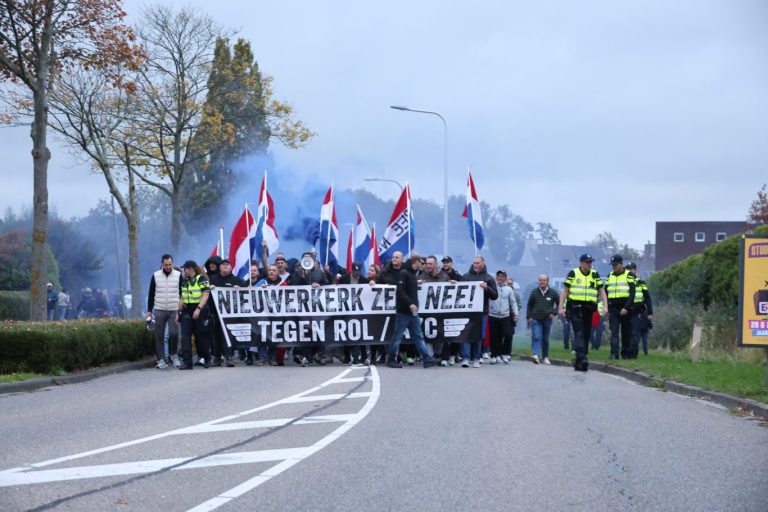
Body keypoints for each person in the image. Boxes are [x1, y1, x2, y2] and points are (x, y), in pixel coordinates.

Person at [377, 251, 438, 369]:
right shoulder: (404, 273)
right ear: (416, 262)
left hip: (412, 312)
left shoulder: (411, 274)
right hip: (404, 311)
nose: (424, 265)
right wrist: (410, 304)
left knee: (418, 336)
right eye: (422, 262)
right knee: (398, 336)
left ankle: (426, 359)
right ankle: (391, 359)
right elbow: (400, 291)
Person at [558, 254, 608, 372]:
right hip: (575, 307)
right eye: (587, 262)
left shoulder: (594, 275)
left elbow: (601, 291)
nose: (589, 264)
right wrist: (560, 307)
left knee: (586, 334)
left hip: (589, 308)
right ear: (581, 263)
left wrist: (605, 306)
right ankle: (582, 358)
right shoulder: (573, 273)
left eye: (590, 262)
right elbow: (565, 291)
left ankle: (580, 360)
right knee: (579, 332)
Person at [460, 255, 499, 368]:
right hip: (466, 311)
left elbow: (495, 295)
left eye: (477, 263)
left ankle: (477, 358)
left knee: (478, 336)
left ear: (483, 264)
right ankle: (466, 358)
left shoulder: (488, 278)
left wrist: (487, 288)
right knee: (465, 334)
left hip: (482, 311)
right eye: (474, 263)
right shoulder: (466, 276)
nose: (475, 265)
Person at [146, 254, 183, 369]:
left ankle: (174, 355)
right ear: (162, 264)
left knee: (174, 333)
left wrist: (180, 308)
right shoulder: (156, 275)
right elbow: (151, 293)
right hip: (159, 309)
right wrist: (149, 311)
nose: (168, 266)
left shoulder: (178, 275)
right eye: (166, 264)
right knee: (159, 335)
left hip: (174, 309)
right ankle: (161, 359)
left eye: (170, 264)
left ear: (172, 263)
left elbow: (182, 292)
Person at [209, 257, 246, 367]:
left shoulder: (237, 280)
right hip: (215, 313)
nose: (225, 266)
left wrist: (240, 289)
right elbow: (204, 293)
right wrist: (208, 288)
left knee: (228, 335)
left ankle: (229, 357)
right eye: (223, 264)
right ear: (219, 267)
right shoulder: (212, 279)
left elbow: (247, 293)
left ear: (231, 267)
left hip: (231, 315)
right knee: (215, 336)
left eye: (228, 264)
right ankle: (216, 357)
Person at [177, 260, 211, 370]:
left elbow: (206, 294)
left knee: (201, 336)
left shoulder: (201, 279)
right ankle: (187, 362)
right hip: (187, 311)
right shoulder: (184, 280)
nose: (183, 270)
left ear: (190, 268)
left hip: (199, 310)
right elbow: (182, 297)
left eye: (185, 268)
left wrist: (198, 309)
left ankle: (206, 358)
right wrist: (178, 312)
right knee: (185, 337)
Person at [420, 255, 453, 366]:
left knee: (441, 334)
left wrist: (454, 285)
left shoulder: (444, 276)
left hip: (441, 311)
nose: (428, 266)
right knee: (427, 334)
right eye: (426, 264)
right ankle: (430, 356)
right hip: (426, 311)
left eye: (430, 264)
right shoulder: (422, 275)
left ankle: (438, 354)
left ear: (435, 264)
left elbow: (450, 292)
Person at [605, 254, 638, 359]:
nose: (614, 267)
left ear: (621, 264)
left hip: (625, 307)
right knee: (614, 331)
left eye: (615, 265)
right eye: (612, 265)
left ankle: (625, 353)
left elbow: (632, 293)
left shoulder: (629, 275)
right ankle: (614, 353)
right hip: (613, 307)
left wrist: (626, 308)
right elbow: (605, 292)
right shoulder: (609, 276)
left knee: (626, 332)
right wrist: (606, 306)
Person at [339, 262, 370, 365]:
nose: (356, 273)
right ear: (351, 270)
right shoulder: (343, 279)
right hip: (346, 310)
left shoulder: (364, 280)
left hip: (359, 310)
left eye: (358, 271)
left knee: (360, 334)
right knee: (346, 333)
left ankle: (363, 356)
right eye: (354, 271)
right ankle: (347, 357)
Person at [526, 274, 559, 365]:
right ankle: (535, 355)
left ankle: (545, 357)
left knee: (545, 339)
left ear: (547, 281)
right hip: (536, 318)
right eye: (540, 280)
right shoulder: (534, 292)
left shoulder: (553, 292)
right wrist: (529, 316)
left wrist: (553, 313)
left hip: (547, 319)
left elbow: (559, 304)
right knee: (537, 336)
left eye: (544, 280)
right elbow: (529, 305)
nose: (542, 282)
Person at [489, 270, 518, 364]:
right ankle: (494, 355)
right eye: (498, 276)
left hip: (505, 316)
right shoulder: (492, 288)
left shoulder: (509, 289)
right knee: (494, 337)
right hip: (493, 315)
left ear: (505, 278)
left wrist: (516, 313)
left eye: (502, 276)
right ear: (496, 278)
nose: (500, 278)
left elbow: (513, 302)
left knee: (508, 335)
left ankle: (505, 354)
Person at [626, 262, 654, 355]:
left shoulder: (641, 282)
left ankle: (633, 352)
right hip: (627, 310)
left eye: (631, 269)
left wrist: (650, 312)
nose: (629, 271)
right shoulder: (624, 282)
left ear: (635, 270)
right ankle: (627, 351)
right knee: (627, 332)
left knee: (635, 333)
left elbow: (647, 298)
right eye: (628, 269)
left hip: (637, 310)